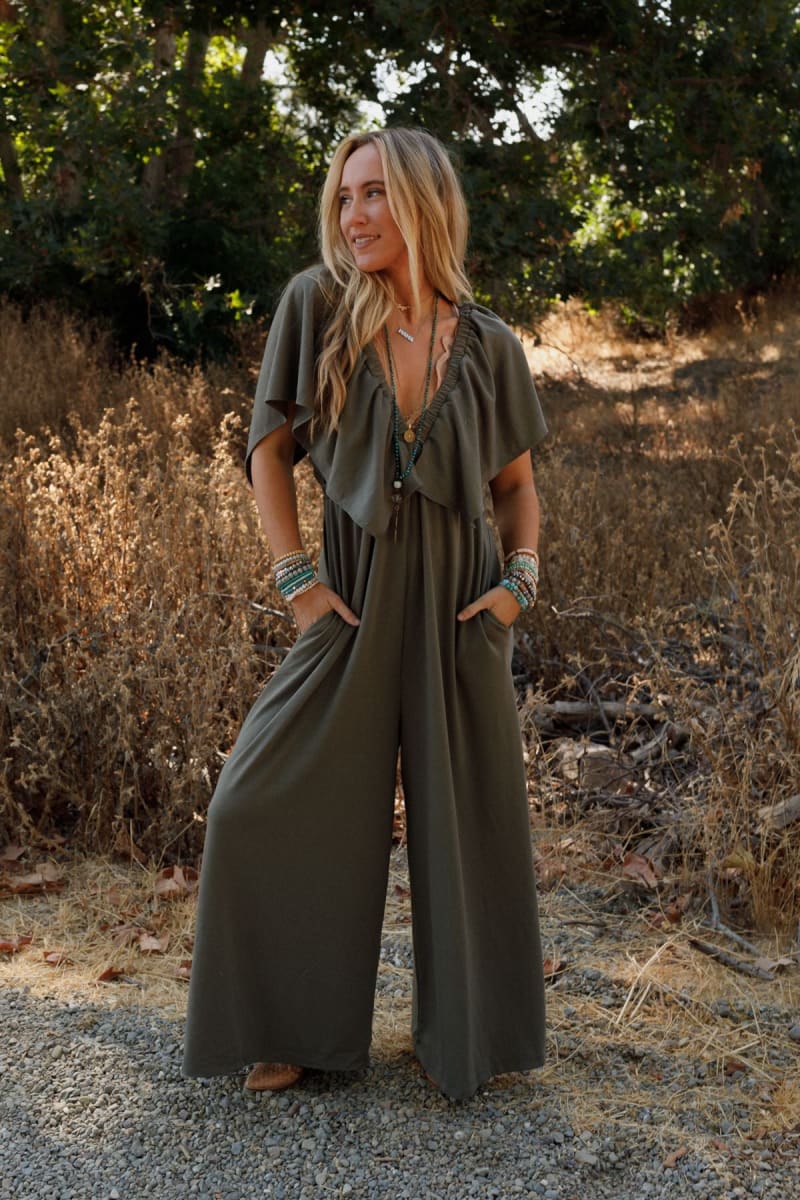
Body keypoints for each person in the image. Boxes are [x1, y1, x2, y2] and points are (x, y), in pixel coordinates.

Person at [181, 127, 548, 1102]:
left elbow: (516, 487)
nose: (353, 216)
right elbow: (268, 450)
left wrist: (517, 586)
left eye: (374, 193)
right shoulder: (316, 307)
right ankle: (285, 1025)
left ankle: (467, 1036)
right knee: (255, 802)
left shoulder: (490, 343)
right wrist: (296, 581)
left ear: (424, 201)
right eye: (344, 198)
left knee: (467, 825)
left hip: (461, 604)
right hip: (347, 597)